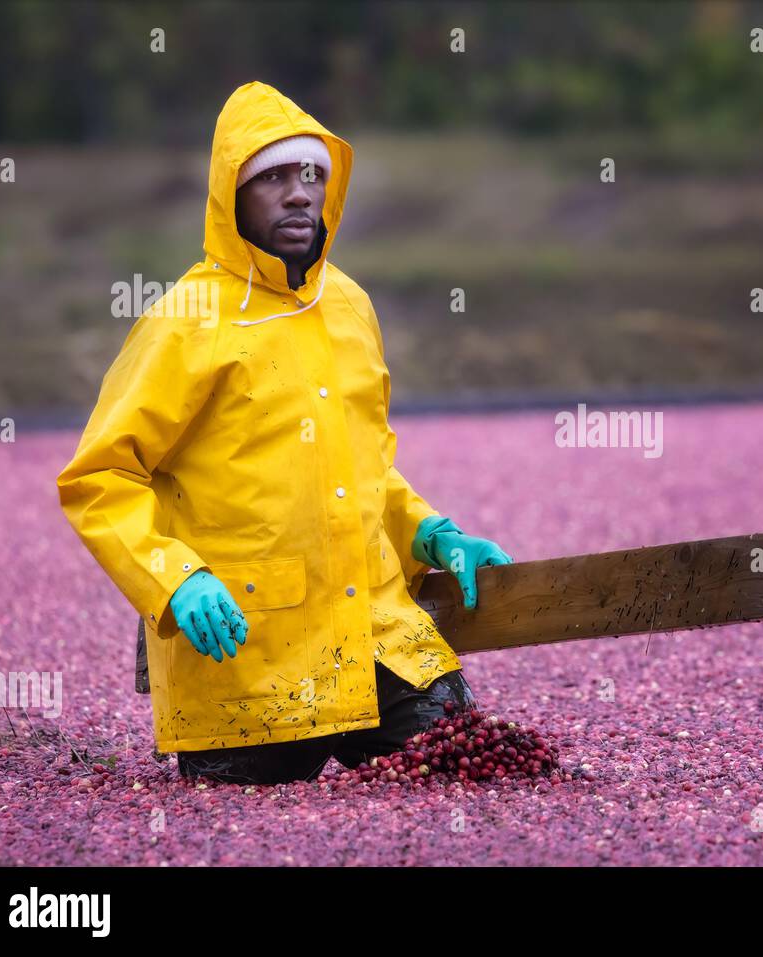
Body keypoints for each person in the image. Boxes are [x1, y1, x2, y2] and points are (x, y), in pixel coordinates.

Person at [57, 81, 511, 785]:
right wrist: (175, 580)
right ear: (229, 194)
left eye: (312, 175)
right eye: (273, 176)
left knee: (474, 775)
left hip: (377, 642)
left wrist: (432, 533)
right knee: (250, 828)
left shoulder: (351, 307)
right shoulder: (186, 320)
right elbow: (101, 477)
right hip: (246, 656)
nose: (299, 193)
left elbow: (360, 470)